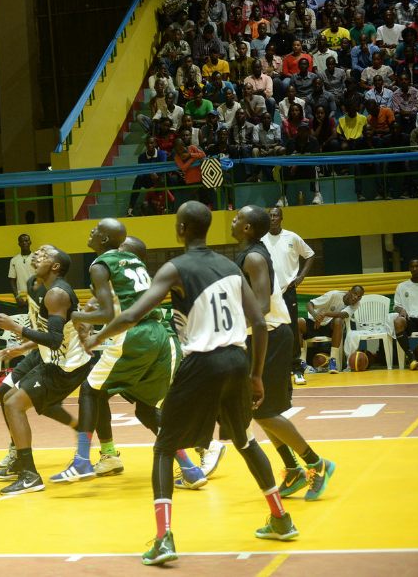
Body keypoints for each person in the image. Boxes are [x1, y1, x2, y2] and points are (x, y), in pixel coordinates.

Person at [84, 203, 299, 565]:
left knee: (164, 448)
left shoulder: (175, 268)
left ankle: (164, 539)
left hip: (201, 361)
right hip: (237, 361)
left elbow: (134, 313)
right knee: (246, 441)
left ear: (180, 229)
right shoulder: (231, 266)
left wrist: (98, 336)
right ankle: (280, 519)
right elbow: (260, 324)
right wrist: (257, 375)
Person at [69, 219, 196, 489]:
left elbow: (109, 313)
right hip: (160, 338)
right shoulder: (135, 265)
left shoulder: (102, 264)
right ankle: (189, 466)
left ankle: (82, 459)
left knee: (90, 391)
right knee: (146, 410)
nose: (91, 231)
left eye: (96, 230)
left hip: (136, 335)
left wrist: (76, 316)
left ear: (106, 241)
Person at [234, 206, 335, 499]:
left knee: (264, 409)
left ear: (248, 227)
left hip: (271, 335)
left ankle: (317, 464)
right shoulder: (251, 253)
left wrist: (226, 325)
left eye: (238, 217)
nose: (233, 219)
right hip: (262, 334)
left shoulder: (254, 256)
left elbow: (262, 306)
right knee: (260, 410)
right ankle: (293, 470)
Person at [0, 246, 93, 495]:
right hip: (52, 358)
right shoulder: (42, 287)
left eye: (44, 257)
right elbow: (53, 332)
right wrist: (22, 345)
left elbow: (55, 339)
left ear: (55, 267)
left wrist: (16, 328)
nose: (37, 258)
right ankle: (25, 467)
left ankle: (30, 475)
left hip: (65, 366)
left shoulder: (56, 294)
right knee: (8, 395)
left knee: (14, 404)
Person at [264, 208, 316, 385]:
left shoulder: (292, 237)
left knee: (292, 330)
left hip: (288, 291)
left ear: (281, 218)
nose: (272, 218)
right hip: (269, 292)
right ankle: (276, 369)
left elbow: (310, 255)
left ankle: (297, 369)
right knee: (270, 329)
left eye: (275, 215)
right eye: (270, 216)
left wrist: (301, 276)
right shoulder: (261, 239)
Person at [300, 286, 364, 373]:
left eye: (359, 296)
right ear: (349, 292)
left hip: (329, 328)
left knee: (338, 321)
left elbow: (343, 315)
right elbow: (309, 304)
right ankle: (302, 362)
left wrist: (325, 313)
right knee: (298, 322)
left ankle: (332, 361)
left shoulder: (356, 304)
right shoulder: (333, 295)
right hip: (315, 323)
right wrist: (315, 315)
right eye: (355, 294)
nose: (356, 298)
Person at [128, 135, 169, 216]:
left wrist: (152, 171)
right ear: (145, 144)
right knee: (139, 177)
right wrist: (151, 172)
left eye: (152, 143)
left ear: (155, 144)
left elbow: (161, 169)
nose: (149, 145)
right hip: (149, 180)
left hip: (160, 180)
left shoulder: (162, 154)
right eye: (148, 143)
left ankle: (166, 207)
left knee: (166, 178)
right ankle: (130, 208)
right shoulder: (142, 157)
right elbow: (141, 170)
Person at [8, 233, 33, 311]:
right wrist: (17, 297)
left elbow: (41, 279)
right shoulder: (14, 260)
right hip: (21, 298)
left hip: (35, 296)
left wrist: (33, 296)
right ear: (19, 244)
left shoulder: (37, 258)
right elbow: (12, 280)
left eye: (26, 241)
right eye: (22, 241)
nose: (25, 243)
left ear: (30, 242)